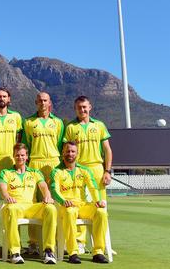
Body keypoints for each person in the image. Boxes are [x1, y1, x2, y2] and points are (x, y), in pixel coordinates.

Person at [64, 95, 113, 252]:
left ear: (90, 107)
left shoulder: (99, 125)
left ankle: (103, 244)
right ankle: (80, 243)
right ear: (75, 109)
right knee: (79, 204)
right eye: (79, 107)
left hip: (97, 168)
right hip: (78, 169)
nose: (82, 110)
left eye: (85, 107)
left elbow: (107, 150)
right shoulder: (71, 127)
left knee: (101, 207)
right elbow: (67, 151)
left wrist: (107, 171)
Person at [50, 142, 109, 264]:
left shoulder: (84, 170)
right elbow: (54, 190)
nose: (70, 154)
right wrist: (63, 201)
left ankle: (98, 252)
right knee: (70, 211)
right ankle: (73, 252)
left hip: (82, 205)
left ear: (77, 153)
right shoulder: (56, 171)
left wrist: (97, 200)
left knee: (101, 212)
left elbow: (93, 187)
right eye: (67, 151)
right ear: (63, 153)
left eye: (73, 151)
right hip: (65, 206)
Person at [0, 143, 57, 264]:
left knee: (51, 209)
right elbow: (3, 189)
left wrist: (47, 197)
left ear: (27, 156)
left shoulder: (35, 172)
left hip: (32, 207)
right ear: (14, 156)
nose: (20, 157)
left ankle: (48, 251)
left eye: (22, 155)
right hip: (15, 206)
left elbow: (44, 187)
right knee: (11, 209)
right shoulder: (5, 172)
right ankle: (15, 251)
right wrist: (8, 197)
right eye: (17, 155)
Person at [22, 92, 64, 255]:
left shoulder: (58, 122)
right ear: (35, 102)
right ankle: (33, 243)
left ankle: (54, 242)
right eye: (39, 100)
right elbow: (26, 145)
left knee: (54, 202)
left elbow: (60, 146)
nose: (42, 103)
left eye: (45, 100)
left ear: (50, 103)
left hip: (53, 162)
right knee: (34, 202)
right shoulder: (29, 122)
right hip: (35, 162)